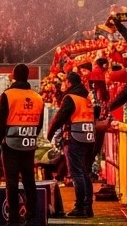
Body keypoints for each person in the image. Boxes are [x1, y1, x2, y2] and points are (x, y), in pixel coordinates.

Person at [0, 63, 43, 226]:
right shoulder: (37, 97)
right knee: (30, 180)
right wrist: (30, 136)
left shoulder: (8, 95)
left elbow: (0, 120)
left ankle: (14, 218)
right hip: (28, 143)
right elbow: (39, 123)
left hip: (11, 144)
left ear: (14, 76)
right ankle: (32, 215)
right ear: (28, 76)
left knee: (12, 182)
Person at [49, 70, 98, 218]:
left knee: (77, 173)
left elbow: (60, 118)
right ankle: (88, 207)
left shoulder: (70, 98)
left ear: (69, 82)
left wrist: (50, 134)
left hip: (75, 137)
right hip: (89, 138)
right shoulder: (86, 98)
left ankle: (80, 207)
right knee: (85, 172)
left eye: (65, 82)